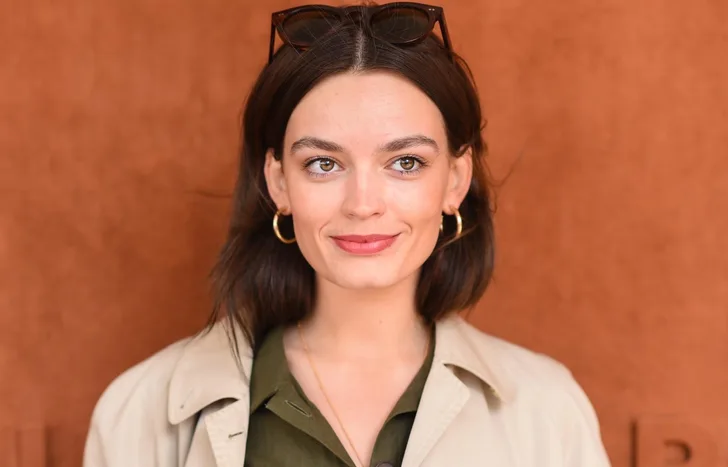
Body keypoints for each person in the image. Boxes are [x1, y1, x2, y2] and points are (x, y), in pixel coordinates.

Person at [83, 2, 612, 466]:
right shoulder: (142, 411)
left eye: (405, 162)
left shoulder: (547, 408)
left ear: (455, 181)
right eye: (322, 164)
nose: (363, 204)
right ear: (278, 183)